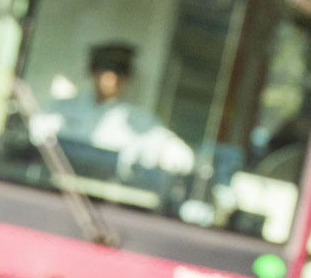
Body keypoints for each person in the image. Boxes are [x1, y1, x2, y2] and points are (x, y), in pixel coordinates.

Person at [31, 40, 194, 180]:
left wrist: (174, 156)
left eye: (120, 74)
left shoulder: (137, 120)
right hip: (54, 185)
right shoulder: (62, 108)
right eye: (105, 72)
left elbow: (173, 152)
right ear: (93, 72)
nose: (112, 80)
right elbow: (36, 134)